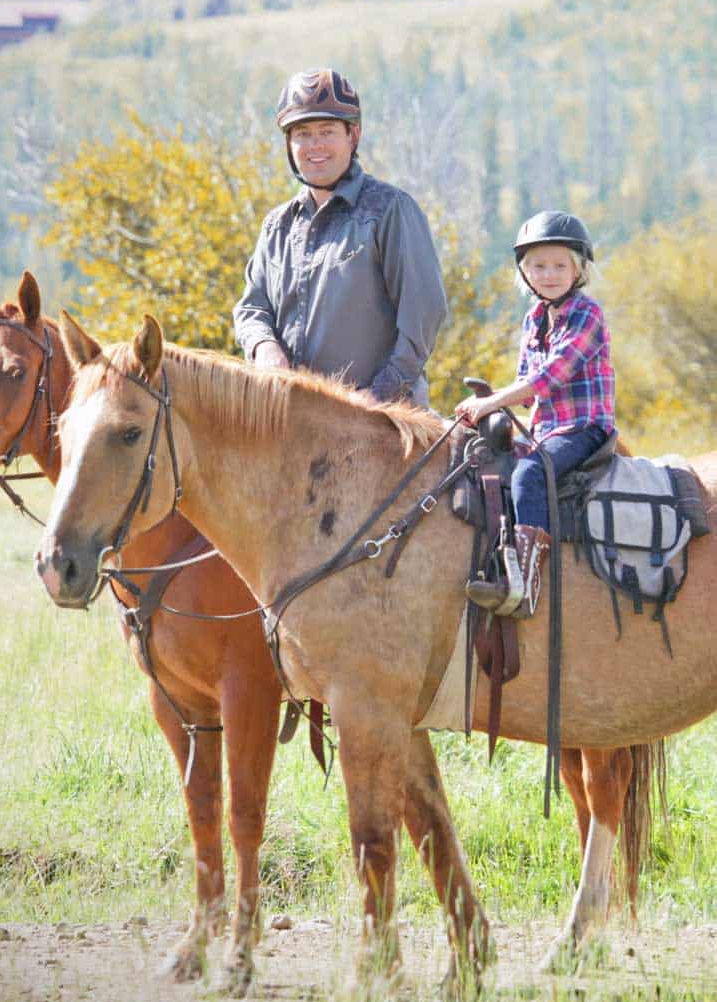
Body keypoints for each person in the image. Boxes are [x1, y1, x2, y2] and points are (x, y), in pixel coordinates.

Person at [233, 68, 447, 405]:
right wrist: (264, 347)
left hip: (384, 426)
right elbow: (251, 307)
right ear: (289, 144)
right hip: (292, 427)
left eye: (327, 131)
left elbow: (424, 315)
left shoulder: (390, 210)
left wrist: (376, 397)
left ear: (353, 135)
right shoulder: (277, 226)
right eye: (302, 133)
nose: (315, 145)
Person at [455, 211, 615, 619]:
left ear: (578, 270)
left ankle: (523, 588)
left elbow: (550, 376)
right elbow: (526, 386)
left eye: (560, 265)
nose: (549, 274)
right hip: (544, 428)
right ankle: (495, 559)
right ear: (525, 273)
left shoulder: (587, 313)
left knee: (530, 475)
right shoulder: (534, 319)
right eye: (539, 266)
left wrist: (493, 403)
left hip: (583, 427)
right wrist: (489, 407)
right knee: (485, 465)